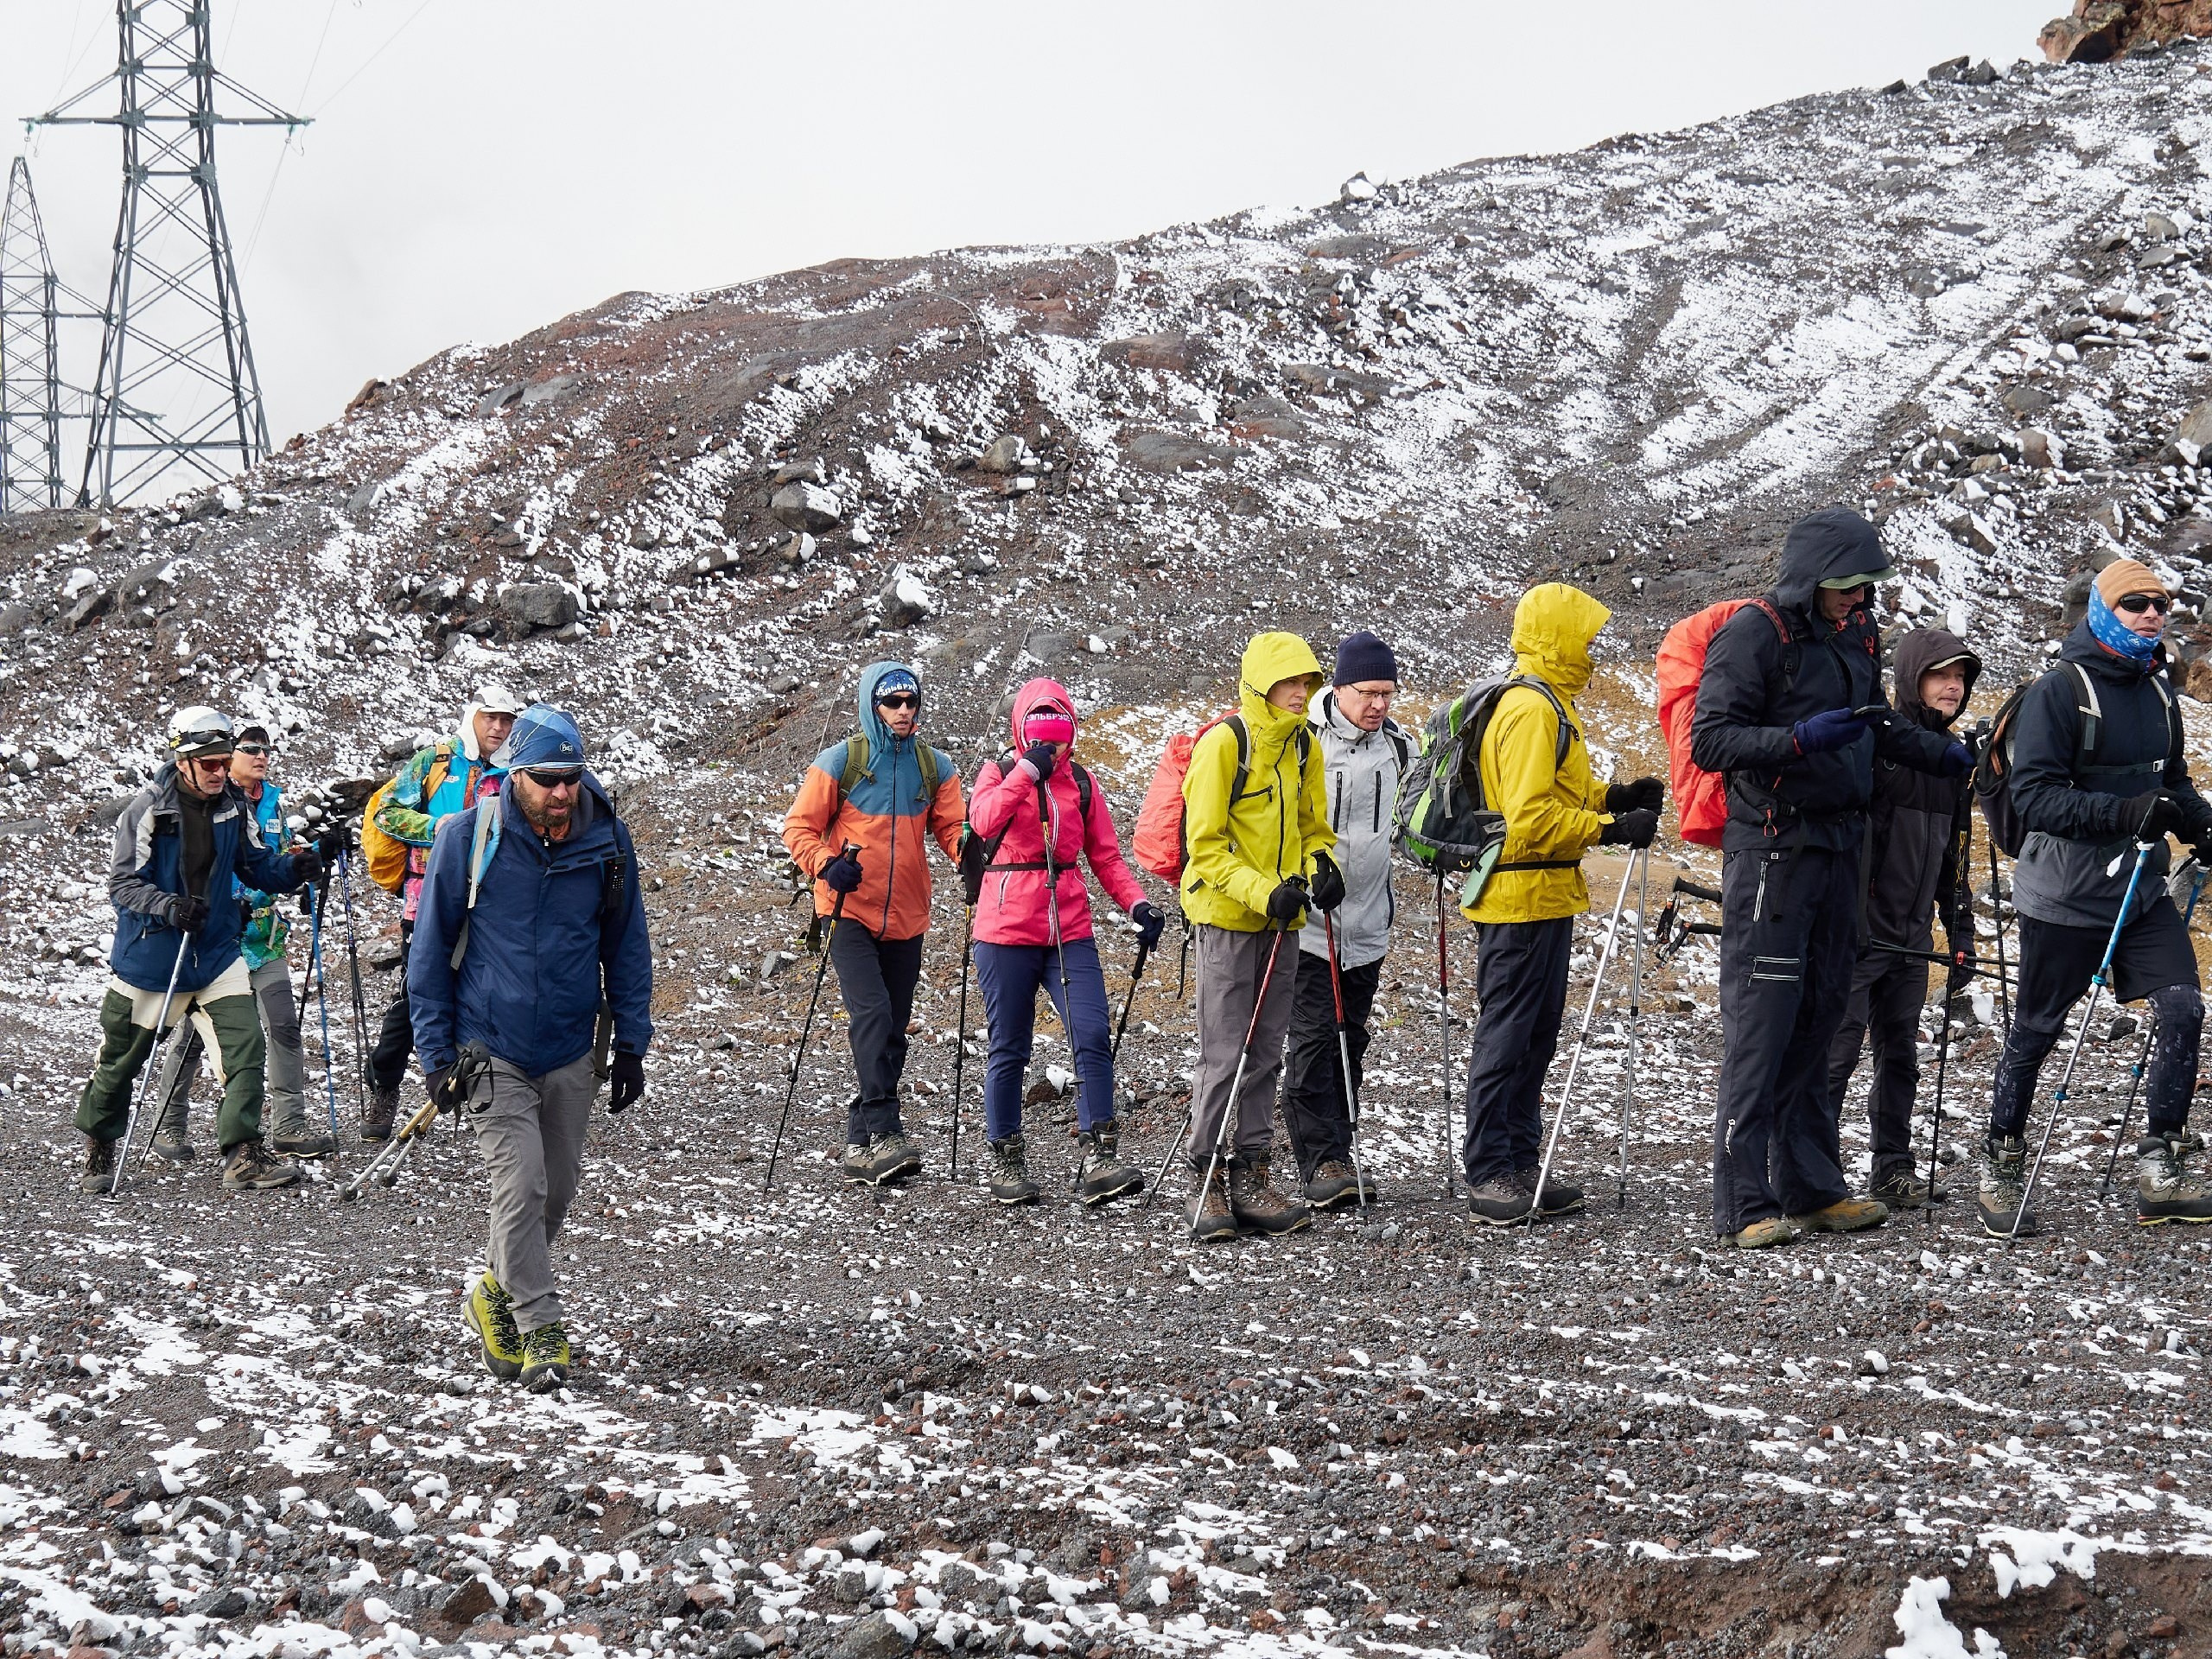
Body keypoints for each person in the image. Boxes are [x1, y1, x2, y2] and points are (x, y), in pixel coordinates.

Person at [1690, 506, 1971, 1249]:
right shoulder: (1756, 633)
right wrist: (1795, 740)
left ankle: (1812, 1188)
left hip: (1844, 848)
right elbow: (1711, 737)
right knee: (1763, 1023)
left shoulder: (1857, 633)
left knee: (1819, 1018)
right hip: (1775, 854)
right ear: (1812, 578)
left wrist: (1934, 751)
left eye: (1867, 585)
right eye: (1848, 585)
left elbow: (1873, 721)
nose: (1859, 597)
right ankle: (1745, 1200)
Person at [409, 704, 652, 1392]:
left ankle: (491, 1293)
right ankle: (542, 1323)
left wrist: (631, 1043)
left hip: (573, 1046)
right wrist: (434, 1057)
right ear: (515, 775)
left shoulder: (607, 843)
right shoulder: (469, 837)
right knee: (521, 1187)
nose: (562, 793)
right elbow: (428, 954)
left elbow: (627, 945)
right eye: (547, 780)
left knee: (557, 1194)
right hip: (490, 1048)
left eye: (572, 779)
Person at [1981, 560, 2212, 1233]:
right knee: (2037, 1031)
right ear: (2104, 611)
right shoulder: (2059, 690)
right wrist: (2123, 813)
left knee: (2183, 1010)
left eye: (2161, 605)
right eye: (2136, 603)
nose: (2152, 614)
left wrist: (2199, 822)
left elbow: (2169, 780)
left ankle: (2159, 1164)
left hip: (2140, 892)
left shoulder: (2159, 689)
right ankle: (2002, 1152)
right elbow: (2033, 797)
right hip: (2063, 895)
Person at [1459, 586, 1662, 1224]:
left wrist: (1613, 797)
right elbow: (1528, 816)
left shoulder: (1546, 702)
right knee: (1510, 1034)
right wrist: (1608, 829)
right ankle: (1492, 1171)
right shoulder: (1532, 709)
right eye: (1586, 638)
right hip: (1519, 895)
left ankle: (1521, 1165)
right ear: (1559, 638)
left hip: (1541, 893)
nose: (1593, 650)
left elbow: (1555, 791)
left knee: (1533, 1036)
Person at [74, 709, 336, 1194]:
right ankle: (99, 1141)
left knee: (245, 1049)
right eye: (209, 763)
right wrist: (169, 907)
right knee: (120, 1062)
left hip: (216, 952)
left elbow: (256, 865)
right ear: (183, 760)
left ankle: (242, 1155)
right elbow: (122, 884)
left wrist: (301, 866)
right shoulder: (147, 810)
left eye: (223, 761)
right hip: (152, 959)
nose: (219, 772)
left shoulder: (233, 806)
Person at [965, 679, 1166, 1205]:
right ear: (1023, 731)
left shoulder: (1081, 780)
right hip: (1005, 930)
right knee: (1009, 1044)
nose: (1054, 748)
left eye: (1060, 737)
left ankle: (1099, 1153)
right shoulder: (1000, 772)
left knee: (1092, 1033)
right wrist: (1028, 770)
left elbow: (1105, 855)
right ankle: (1006, 1156)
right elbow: (983, 821)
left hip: (1068, 928)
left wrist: (1136, 903)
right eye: (1043, 737)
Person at [1179, 632, 1338, 1242]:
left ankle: (1252, 1171)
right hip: (1227, 919)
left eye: (1308, 683)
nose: (1302, 694)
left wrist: (1324, 865)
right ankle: (1208, 1177)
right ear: (1262, 685)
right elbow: (1206, 848)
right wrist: (1261, 890)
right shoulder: (1225, 744)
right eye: (1291, 683)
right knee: (1223, 1054)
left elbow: (1312, 827)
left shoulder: (1304, 749)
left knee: (1268, 1051)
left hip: (1284, 920)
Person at [781, 662, 965, 1185]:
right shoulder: (841, 761)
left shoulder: (935, 767)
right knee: (873, 1011)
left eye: (911, 702)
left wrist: (969, 853)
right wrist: (826, 864)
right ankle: (886, 1128)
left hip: (908, 914)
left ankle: (860, 1143)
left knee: (894, 1027)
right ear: (872, 705)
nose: (904, 711)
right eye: (893, 703)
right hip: (846, 911)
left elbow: (951, 828)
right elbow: (798, 827)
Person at [1823, 629, 1980, 1209]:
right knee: (1835, 1056)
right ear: (1913, 678)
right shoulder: (1880, 747)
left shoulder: (1952, 763)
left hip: (1912, 940)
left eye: (1961, 678)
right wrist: (1848, 920)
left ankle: (1893, 1166)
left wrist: (1959, 933)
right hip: (1862, 936)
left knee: (1901, 1057)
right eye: (1941, 675)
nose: (1953, 687)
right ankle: (1814, 1172)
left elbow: (1953, 861)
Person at [145, 721, 334, 1162]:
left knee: (284, 1026)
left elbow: (272, 863)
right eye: (250, 749)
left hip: (264, 939)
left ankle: (289, 1124)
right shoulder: (212, 801)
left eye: (266, 750)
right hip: (215, 939)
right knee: (193, 1036)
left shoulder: (271, 803)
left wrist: (309, 862)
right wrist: (233, 903)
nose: (261, 757)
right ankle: (168, 1124)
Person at [1279, 632, 1406, 1211]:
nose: (1379, 705)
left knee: (1350, 1040)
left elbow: (1407, 824)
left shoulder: (1398, 748)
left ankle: (1340, 1153)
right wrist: (1306, 875)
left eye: (1388, 693)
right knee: (1311, 1042)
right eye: (1369, 692)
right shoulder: (1302, 741)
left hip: (1368, 923)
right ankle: (1320, 1161)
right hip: (1308, 923)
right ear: (1339, 687)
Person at [366, 683, 524, 1141]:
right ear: (472, 716)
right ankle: (385, 1087)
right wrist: (442, 828)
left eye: (506, 719)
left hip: (493, 900)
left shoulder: (514, 771)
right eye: (490, 717)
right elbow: (388, 814)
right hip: (429, 897)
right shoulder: (435, 761)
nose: (498, 727)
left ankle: (496, 1093)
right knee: (417, 992)